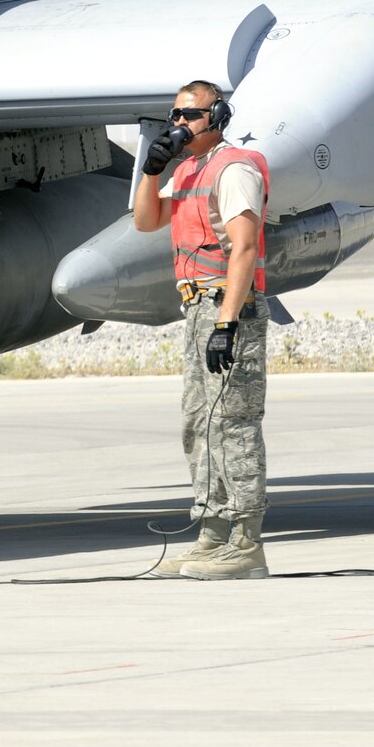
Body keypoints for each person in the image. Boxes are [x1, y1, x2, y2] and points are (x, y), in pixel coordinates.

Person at [131, 79, 272, 579]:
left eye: (191, 115)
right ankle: (212, 532)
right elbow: (146, 221)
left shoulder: (232, 169)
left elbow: (245, 247)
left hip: (226, 305)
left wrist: (227, 324)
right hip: (196, 307)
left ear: (218, 117)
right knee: (199, 423)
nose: (180, 124)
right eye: (175, 115)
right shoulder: (189, 168)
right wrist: (152, 170)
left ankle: (245, 542)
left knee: (232, 422)